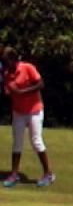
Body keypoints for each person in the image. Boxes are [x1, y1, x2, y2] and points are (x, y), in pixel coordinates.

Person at [2, 46, 54, 188]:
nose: (6, 65)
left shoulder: (27, 68)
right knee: (17, 142)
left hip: (34, 110)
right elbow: (9, 91)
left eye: (7, 62)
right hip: (18, 111)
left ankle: (48, 174)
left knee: (36, 141)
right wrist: (10, 91)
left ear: (14, 59)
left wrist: (22, 91)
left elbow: (40, 84)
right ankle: (14, 174)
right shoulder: (7, 74)